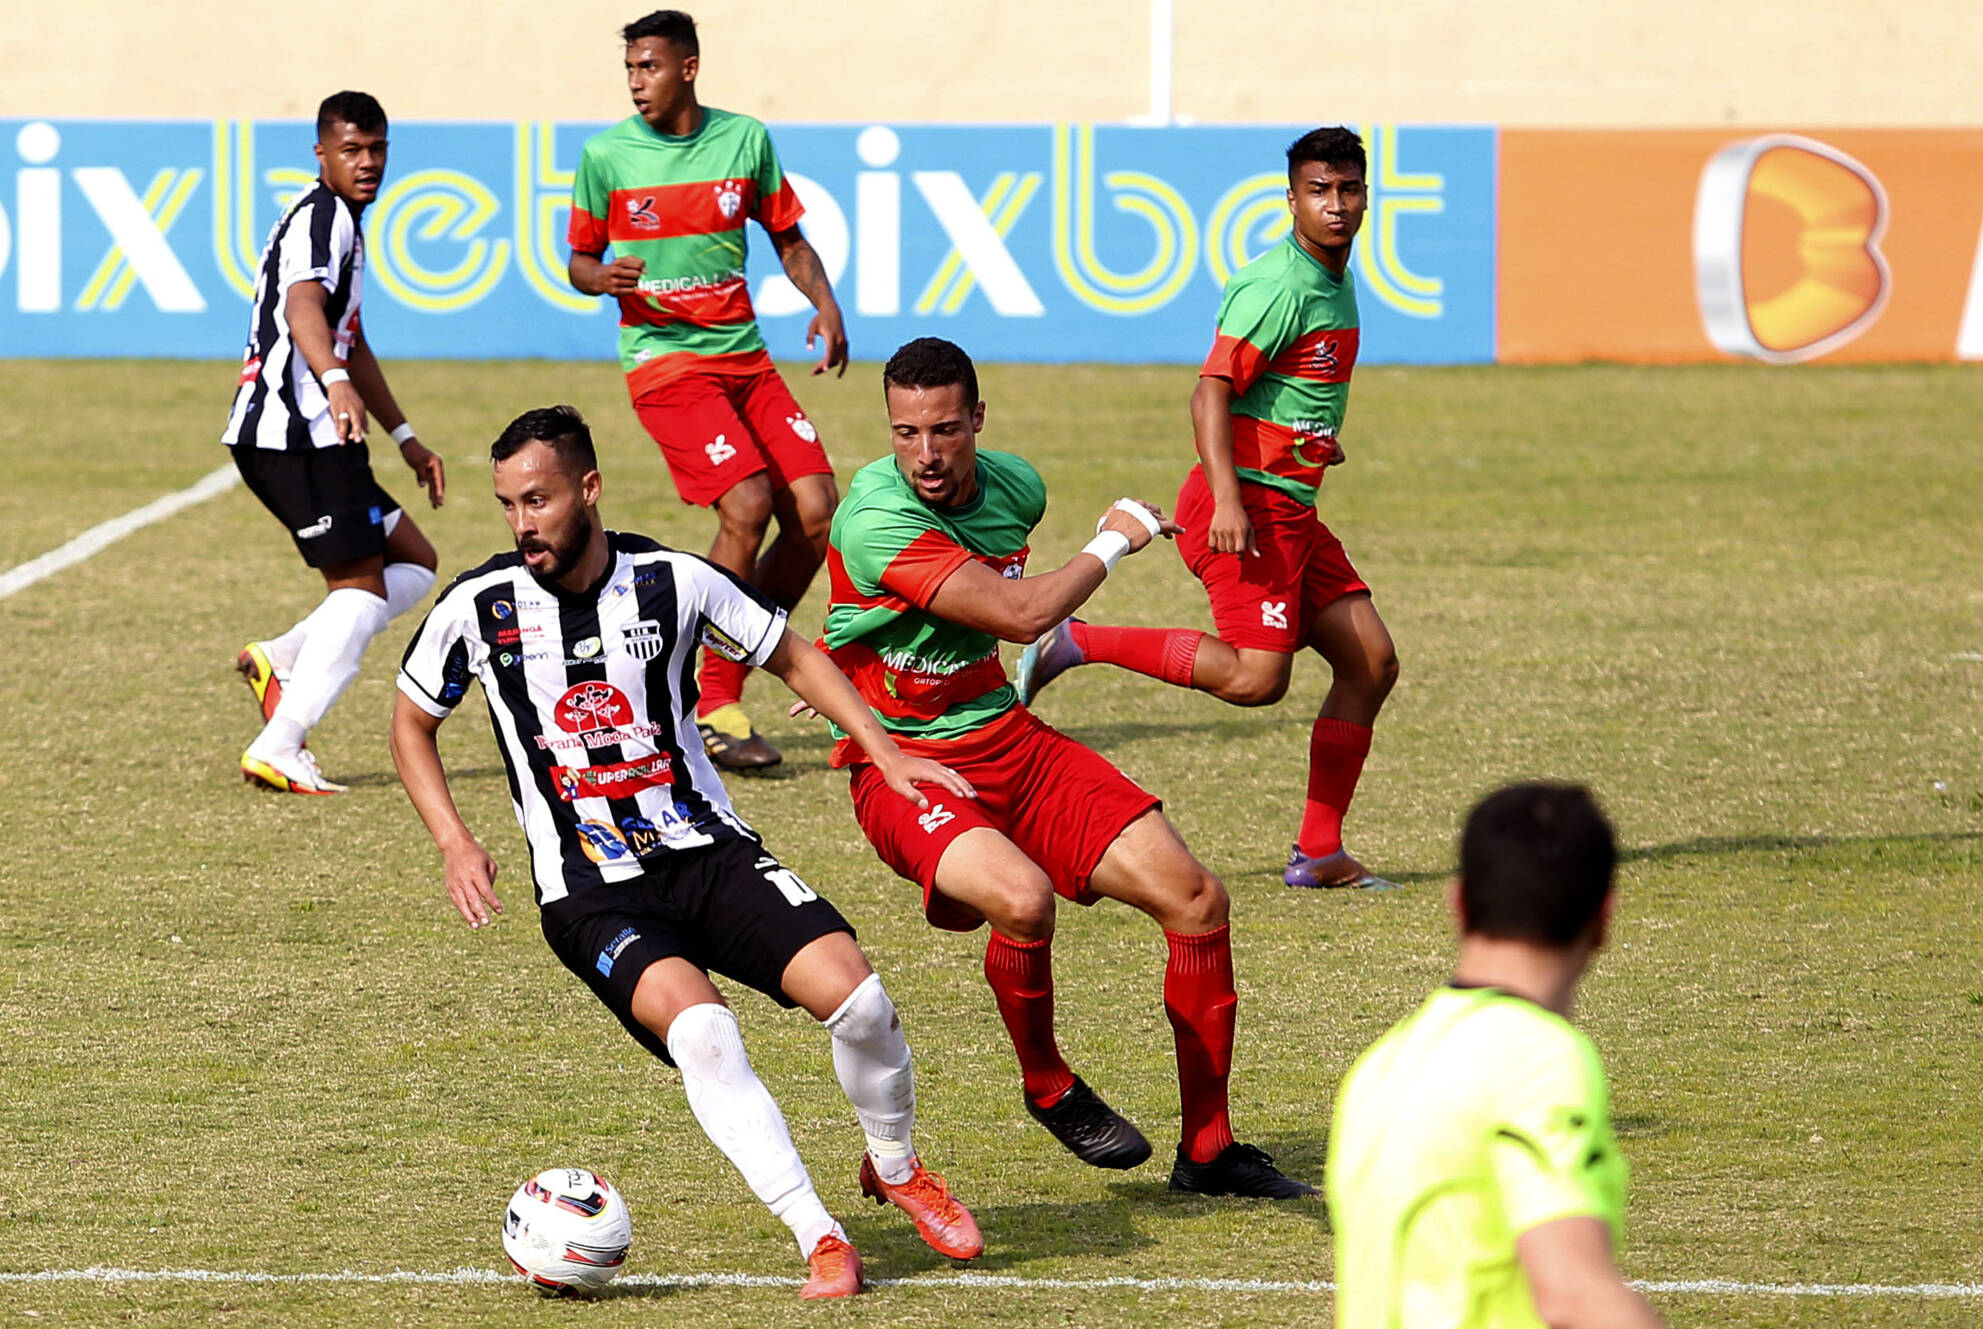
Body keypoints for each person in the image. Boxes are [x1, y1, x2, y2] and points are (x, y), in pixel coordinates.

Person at [389, 406, 982, 1300]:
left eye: (539, 500)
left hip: (704, 851)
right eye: (509, 504)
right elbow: (411, 720)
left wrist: (884, 747)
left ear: (589, 488)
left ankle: (893, 1167)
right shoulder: (479, 605)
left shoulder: (675, 581)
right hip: (590, 889)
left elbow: (792, 653)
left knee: (860, 1003)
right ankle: (818, 1235)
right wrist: (453, 839)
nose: (523, 524)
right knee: (703, 1032)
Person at [811, 337, 1313, 1198]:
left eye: (942, 429)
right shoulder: (874, 513)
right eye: (903, 433)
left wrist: (866, 638)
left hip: (1008, 738)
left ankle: (1210, 1149)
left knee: (1195, 898)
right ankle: (1047, 1084)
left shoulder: (1017, 487)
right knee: (1022, 898)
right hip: (906, 764)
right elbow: (1017, 613)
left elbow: (956, 599)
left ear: (976, 419)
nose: (925, 454)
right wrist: (1113, 540)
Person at [1016, 127, 1398, 890]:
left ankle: (1319, 852)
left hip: (1289, 502)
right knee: (1259, 680)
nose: (1335, 205)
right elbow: (1210, 391)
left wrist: (1313, 437)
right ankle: (1074, 640)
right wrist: (1227, 495)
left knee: (1370, 661)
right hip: (1248, 507)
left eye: (1348, 189)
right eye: (1318, 191)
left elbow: (1286, 386)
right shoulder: (1279, 286)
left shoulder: (1333, 275)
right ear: (1290, 198)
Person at [566, 8, 849, 773]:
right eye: (629, 69)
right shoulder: (606, 156)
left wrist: (825, 303)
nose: (635, 83)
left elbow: (787, 237)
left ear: (687, 68)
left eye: (648, 67)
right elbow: (578, 262)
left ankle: (718, 682)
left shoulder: (744, 140)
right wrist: (604, 277)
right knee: (748, 503)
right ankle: (710, 695)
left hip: (745, 360)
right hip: (663, 360)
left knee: (818, 514)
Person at [1327, 784, 1670, 1329]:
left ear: (1458, 904)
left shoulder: (1380, 1067)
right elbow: (1573, 1293)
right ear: (1603, 917)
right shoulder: (1537, 1060)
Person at [225, 90, 447, 795]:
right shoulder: (324, 219)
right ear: (321, 153)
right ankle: (280, 742)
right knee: (357, 590)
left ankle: (283, 655)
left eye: (377, 149)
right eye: (351, 150)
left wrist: (406, 437)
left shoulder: (339, 220)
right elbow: (302, 307)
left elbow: (352, 336)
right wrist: (332, 379)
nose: (367, 162)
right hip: (297, 436)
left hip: (315, 433)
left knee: (414, 559)